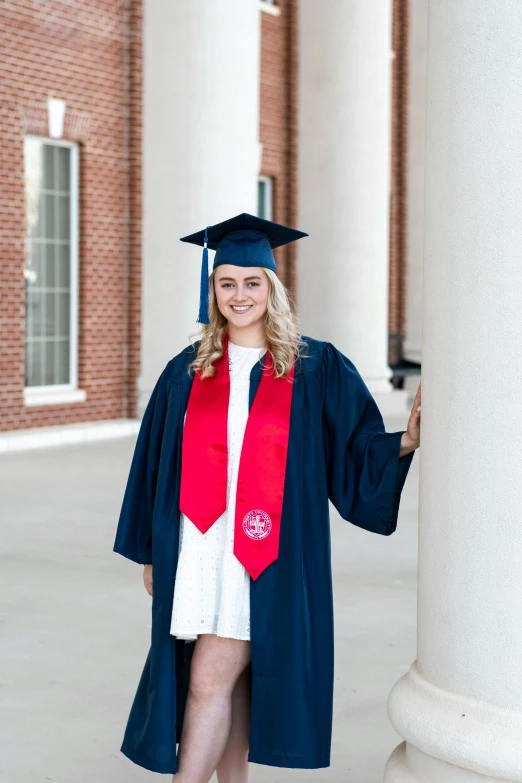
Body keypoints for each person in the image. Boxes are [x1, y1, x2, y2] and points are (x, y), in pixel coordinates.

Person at [113, 213, 421, 782]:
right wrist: (151, 550)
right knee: (230, 684)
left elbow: (352, 446)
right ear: (213, 291)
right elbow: (153, 465)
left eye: (252, 282)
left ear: (272, 288)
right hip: (200, 548)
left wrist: (401, 442)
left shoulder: (314, 365)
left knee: (208, 678)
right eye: (226, 283)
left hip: (267, 549)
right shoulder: (187, 371)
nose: (239, 295)